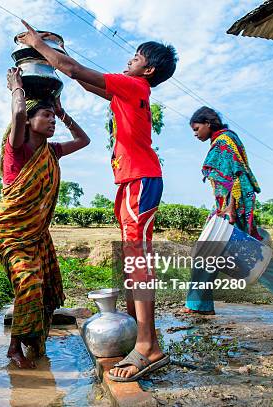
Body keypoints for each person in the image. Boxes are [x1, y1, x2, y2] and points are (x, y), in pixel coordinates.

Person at [17, 20, 177, 382]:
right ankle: (141, 336)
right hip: (131, 181)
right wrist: (60, 73)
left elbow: (72, 70)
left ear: (147, 69)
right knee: (133, 260)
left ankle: (148, 347)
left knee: (139, 260)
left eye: (135, 57)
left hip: (140, 180)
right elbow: (81, 79)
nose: (128, 61)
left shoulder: (133, 84)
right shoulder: (127, 91)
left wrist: (38, 45)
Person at [0, 67, 90, 369]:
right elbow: (18, 115)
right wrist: (16, 88)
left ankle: (29, 343)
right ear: (30, 121)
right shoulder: (16, 149)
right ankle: (13, 348)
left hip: (36, 235)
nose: (51, 122)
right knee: (29, 282)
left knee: (44, 289)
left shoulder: (52, 152)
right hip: (10, 232)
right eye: (45, 116)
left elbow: (83, 139)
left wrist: (63, 111)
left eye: (53, 118)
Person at [182, 106, 273, 321]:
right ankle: (198, 304)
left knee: (253, 259)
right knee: (207, 255)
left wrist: (230, 210)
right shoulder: (223, 141)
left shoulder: (224, 142)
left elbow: (235, 178)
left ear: (208, 124)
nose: (195, 134)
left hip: (233, 210)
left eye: (196, 129)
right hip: (225, 209)